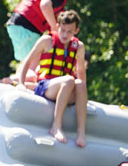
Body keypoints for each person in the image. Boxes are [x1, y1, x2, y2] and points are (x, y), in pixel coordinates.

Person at [17, 10, 87, 147]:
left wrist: (82, 96)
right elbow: (28, 61)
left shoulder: (79, 47)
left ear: (76, 31)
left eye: (70, 31)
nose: (65, 34)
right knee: (69, 80)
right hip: (46, 86)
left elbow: (81, 72)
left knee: (80, 83)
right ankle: (56, 125)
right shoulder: (46, 41)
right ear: (57, 26)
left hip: (67, 88)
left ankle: (81, 131)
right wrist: (21, 83)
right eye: (63, 30)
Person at [6, 0, 82, 62]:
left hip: (21, 25)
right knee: (31, 65)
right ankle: (7, 78)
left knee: (29, 63)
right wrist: (54, 27)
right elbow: (45, 4)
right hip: (26, 27)